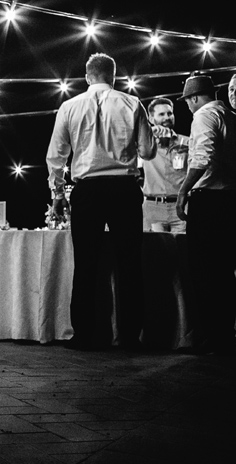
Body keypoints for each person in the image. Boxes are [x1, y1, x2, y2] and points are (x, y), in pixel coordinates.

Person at [46, 53, 156, 350]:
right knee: (129, 264)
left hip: (88, 191)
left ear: (87, 77)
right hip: (123, 189)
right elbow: (147, 152)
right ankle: (130, 336)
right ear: (114, 76)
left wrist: (58, 193)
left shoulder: (69, 106)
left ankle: (86, 335)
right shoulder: (132, 103)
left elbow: (56, 157)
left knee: (86, 264)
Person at [175, 74, 236, 355]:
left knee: (203, 269)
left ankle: (211, 336)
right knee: (225, 270)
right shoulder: (230, 114)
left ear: (195, 98)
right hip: (229, 199)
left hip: (208, 199)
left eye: (187, 100)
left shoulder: (203, 115)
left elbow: (202, 157)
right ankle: (225, 332)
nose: (187, 106)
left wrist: (184, 190)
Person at [140, 98, 189, 233]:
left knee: (182, 250)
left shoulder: (187, 142)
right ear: (151, 118)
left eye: (169, 113)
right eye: (161, 114)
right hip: (153, 207)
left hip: (181, 206)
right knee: (157, 251)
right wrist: (149, 133)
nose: (167, 117)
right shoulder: (145, 144)